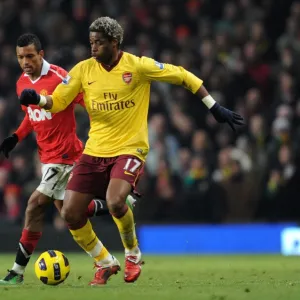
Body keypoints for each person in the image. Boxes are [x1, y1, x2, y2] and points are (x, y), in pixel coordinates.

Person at [19, 17, 244, 286]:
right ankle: (104, 263)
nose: (93, 48)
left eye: (99, 43)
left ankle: (133, 254)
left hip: (130, 149)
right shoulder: (82, 70)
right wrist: (39, 99)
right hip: (95, 150)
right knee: (70, 213)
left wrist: (214, 106)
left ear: (115, 43)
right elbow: (58, 102)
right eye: (91, 43)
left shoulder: (137, 66)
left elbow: (183, 75)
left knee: (115, 201)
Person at [0, 33, 136, 285]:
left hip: (66, 156)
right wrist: (16, 137)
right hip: (47, 158)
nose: (25, 61)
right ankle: (107, 260)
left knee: (35, 205)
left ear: (41, 54)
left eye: (30, 56)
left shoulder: (61, 78)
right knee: (73, 216)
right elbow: (32, 115)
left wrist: (109, 132)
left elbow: (90, 102)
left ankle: (17, 272)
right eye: (20, 57)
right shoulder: (22, 83)